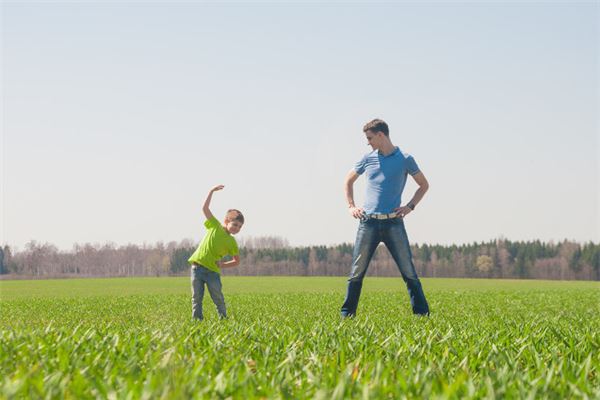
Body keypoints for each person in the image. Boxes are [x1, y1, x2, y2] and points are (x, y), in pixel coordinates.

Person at [341, 119, 430, 317]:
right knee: (357, 272)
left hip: (393, 223)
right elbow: (348, 180)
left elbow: (423, 185)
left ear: (381, 135)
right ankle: (347, 315)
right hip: (368, 223)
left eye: (370, 138)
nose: (368, 142)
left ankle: (422, 315)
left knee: (408, 271)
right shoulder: (367, 158)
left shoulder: (406, 159)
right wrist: (351, 206)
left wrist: (410, 206)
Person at [188, 185, 244, 320]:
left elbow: (236, 261)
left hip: (213, 272)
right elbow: (205, 209)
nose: (237, 228)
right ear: (226, 221)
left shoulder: (232, 242)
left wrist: (222, 265)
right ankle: (197, 321)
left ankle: (223, 319)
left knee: (218, 297)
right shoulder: (215, 226)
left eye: (240, 227)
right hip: (197, 268)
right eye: (235, 224)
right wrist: (211, 191)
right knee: (196, 298)